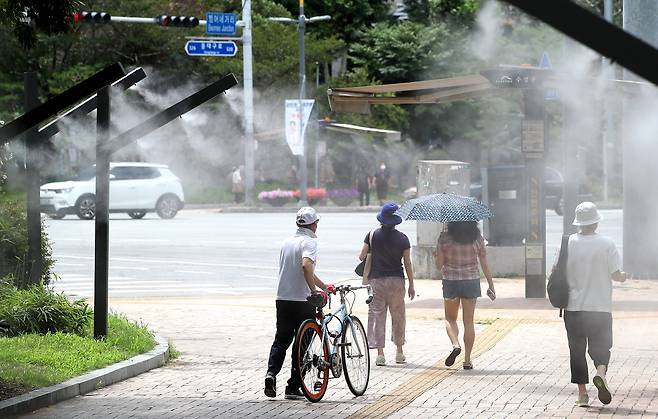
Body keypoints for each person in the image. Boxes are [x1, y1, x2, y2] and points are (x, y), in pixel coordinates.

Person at [561, 202, 627, 407]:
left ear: (578, 223)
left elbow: (556, 270)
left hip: (573, 308)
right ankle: (600, 373)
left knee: (577, 350)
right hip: (600, 307)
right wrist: (624, 276)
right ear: (596, 221)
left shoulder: (568, 242)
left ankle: (582, 395)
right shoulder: (607, 243)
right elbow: (616, 275)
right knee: (601, 346)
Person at [265, 207, 329, 400]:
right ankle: (293, 386)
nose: (317, 225)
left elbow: (300, 269)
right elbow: (306, 266)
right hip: (302, 300)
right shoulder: (310, 242)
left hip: (283, 298)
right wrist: (314, 292)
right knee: (302, 344)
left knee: (281, 340)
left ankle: (271, 374)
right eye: (317, 222)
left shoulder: (287, 242)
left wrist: (323, 286)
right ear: (313, 224)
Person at [359, 203, 415, 366]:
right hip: (397, 280)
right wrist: (411, 284)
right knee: (398, 316)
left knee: (377, 314)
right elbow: (408, 263)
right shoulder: (403, 238)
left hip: (377, 281)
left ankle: (380, 354)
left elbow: (362, 256)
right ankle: (399, 352)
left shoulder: (371, 235)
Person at [434, 221, 495, 370]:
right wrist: (491, 285)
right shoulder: (477, 238)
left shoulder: (444, 237)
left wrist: (437, 255)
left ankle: (455, 344)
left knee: (450, 319)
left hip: (451, 281)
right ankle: (467, 360)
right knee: (469, 321)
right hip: (471, 281)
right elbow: (484, 263)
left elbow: (439, 266)